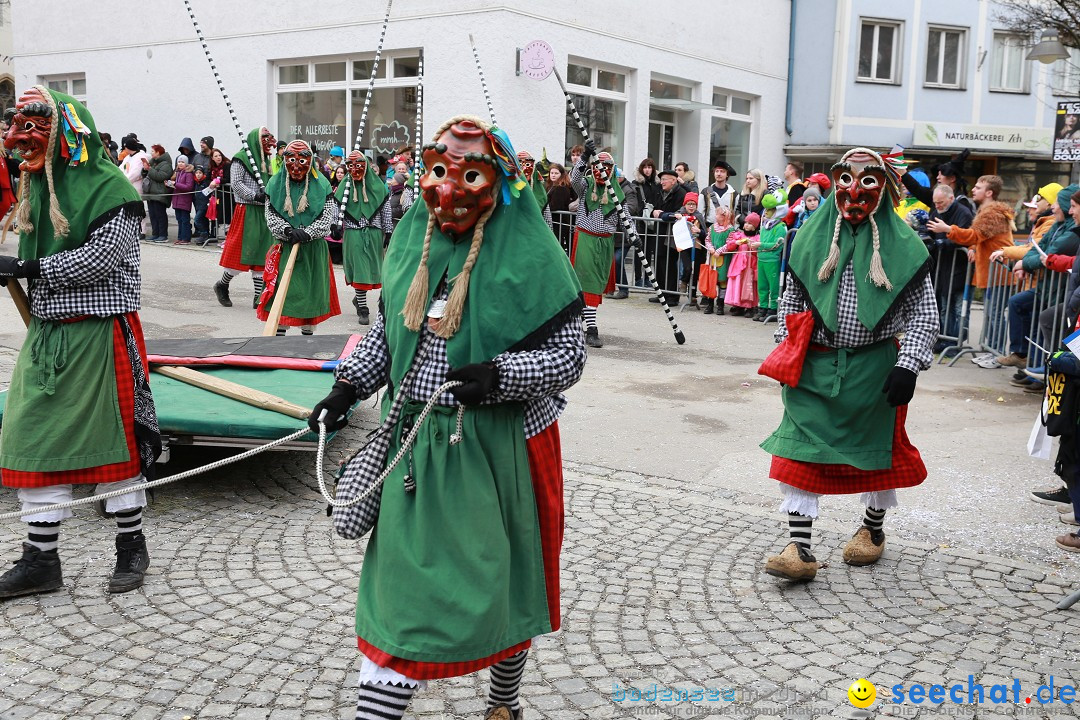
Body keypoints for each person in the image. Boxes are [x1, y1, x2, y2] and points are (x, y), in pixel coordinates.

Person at [316, 115, 585, 720]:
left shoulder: (531, 252)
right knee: (405, 601)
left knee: (507, 584)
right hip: (415, 446)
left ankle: (504, 704)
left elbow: (569, 357)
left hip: (502, 448)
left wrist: (500, 376)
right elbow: (388, 335)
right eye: (439, 171)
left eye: (470, 175)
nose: (449, 190)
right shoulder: (413, 239)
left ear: (500, 182)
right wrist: (348, 388)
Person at [0, 85, 160, 598]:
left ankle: (130, 546)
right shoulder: (39, 186)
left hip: (99, 330)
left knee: (112, 443)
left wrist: (28, 267)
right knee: (31, 436)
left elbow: (101, 260)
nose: (18, 140)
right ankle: (41, 560)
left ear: (68, 134)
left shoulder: (112, 188)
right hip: (49, 333)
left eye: (32, 129)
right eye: (16, 128)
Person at [761, 147, 938, 582]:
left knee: (879, 452)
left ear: (885, 189)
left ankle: (872, 532)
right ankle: (799, 548)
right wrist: (788, 345)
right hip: (815, 365)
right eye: (846, 180)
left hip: (876, 370)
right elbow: (791, 297)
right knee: (799, 450)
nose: (855, 192)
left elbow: (924, 313)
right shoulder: (808, 236)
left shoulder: (905, 245)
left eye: (868, 182)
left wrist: (909, 364)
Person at [256, 140, 340, 335]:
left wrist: (308, 232)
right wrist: (286, 230)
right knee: (283, 296)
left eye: (302, 161)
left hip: (312, 251)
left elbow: (327, 217)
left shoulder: (322, 184)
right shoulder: (275, 183)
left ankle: (306, 345)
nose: (296, 166)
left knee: (309, 297)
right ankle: (278, 342)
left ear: (310, 162)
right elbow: (270, 215)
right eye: (291, 160)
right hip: (285, 248)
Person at [926, 175, 1013, 353]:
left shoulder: (992, 213)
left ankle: (996, 352)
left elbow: (974, 235)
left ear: (989, 192)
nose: (973, 189)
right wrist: (973, 247)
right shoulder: (984, 211)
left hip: (999, 271)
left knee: (994, 315)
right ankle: (991, 351)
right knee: (990, 315)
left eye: (978, 187)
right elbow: (980, 238)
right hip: (991, 271)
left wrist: (948, 229)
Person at [997, 184, 1080, 369]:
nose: (1053, 207)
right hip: (1051, 287)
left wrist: (1028, 262)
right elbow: (1037, 249)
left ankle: (1051, 367)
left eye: (1058, 203)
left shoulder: (1071, 231)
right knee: (1025, 309)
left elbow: (1051, 253)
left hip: (1061, 290)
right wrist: (1028, 263)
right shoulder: (1058, 225)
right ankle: (1029, 360)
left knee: (1047, 322)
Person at [570, 140, 639, 347]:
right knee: (588, 284)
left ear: (612, 171)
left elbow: (626, 217)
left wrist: (635, 236)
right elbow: (574, 179)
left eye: (607, 167)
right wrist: (584, 157)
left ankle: (578, 322)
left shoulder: (617, 193)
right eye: (598, 167)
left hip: (606, 243)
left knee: (595, 286)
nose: (602, 171)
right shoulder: (586, 186)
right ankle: (591, 329)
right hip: (585, 240)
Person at [214, 127, 276, 309]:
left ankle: (258, 296)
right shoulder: (240, 159)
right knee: (239, 255)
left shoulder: (266, 160)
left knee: (262, 254)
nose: (269, 143)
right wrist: (254, 195)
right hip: (246, 210)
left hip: (263, 212)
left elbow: (271, 181)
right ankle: (223, 284)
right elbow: (236, 183)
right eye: (265, 138)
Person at [330, 151, 392, 325]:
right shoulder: (345, 185)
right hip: (353, 233)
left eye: (358, 165)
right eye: (350, 166)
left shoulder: (379, 186)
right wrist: (335, 226)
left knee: (374, 271)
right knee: (359, 270)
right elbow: (336, 206)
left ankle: (361, 300)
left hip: (374, 233)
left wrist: (388, 231)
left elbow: (385, 209)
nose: (354, 170)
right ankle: (363, 308)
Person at [923, 184, 974, 351]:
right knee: (944, 307)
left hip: (959, 267)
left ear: (951, 198)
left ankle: (955, 342)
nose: (937, 206)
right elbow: (930, 231)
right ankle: (943, 339)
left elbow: (966, 237)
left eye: (941, 203)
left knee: (958, 309)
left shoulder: (963, 213)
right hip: (942, 268)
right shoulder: (936, 211)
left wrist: (942, 242)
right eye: (935, 203)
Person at [649, 169, 687, 307]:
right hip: (659, 233)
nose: (662, 182)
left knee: (670, 265)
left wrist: (662, 214)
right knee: (659, 263)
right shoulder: (660, 192)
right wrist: (654, 211)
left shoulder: (680, 194)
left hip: (672, 235)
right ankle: (662, 294)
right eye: (661, 179)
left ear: (674, 180)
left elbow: (678, 213)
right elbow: (654, 208)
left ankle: (672, 296)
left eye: (665, 179)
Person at [722, 212, 760, 316]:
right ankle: (738, 305)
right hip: (738, 262)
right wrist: (736, 243)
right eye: (746, 222)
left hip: (750, 264)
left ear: (755, 226)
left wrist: (751, 245)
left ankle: (749, 306)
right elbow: (729, 246)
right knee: (738, 283)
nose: (746, 225)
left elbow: (758, 251)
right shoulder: (738, 235)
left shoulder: (757, 238)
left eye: (750, 223)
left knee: (749, 284)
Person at [142, 144, 173, 243]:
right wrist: (145, 169)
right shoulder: (153, 162)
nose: (151, 153)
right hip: (151, 192)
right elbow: (146, 174)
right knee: (152, 215)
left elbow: (160, 176)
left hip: (160, 193)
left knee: (160, 215)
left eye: (152, 151)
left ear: (158, 153)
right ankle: (155, 234)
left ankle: (163, 235)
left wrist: (149, 169)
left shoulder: (166, 164)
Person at [517, 149, 552, 230]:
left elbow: (548, 223)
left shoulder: (540, 193)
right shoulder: (506, 191)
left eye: (528, 164)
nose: (524, 169)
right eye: (520, 164)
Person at [191, 136, 214, 238]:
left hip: (211, 189)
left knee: (212, 212)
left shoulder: (214, 155)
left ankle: (213, 233)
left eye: (203, 143)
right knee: (199, 211)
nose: (201, 145)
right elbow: (193, 169)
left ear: (209, 144)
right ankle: (202, 232)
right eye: (200, 142)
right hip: (199, 188)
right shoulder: (197, 157)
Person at [170, 155, 195, 245]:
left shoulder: (188, 174)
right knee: (179, 220)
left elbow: (189, 187)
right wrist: (170, 185)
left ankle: (186, 238)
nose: (180, 163)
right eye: (179, 162)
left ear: (186, 163)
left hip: (184, 200)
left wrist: (176, 184)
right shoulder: (177, 173)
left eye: (182, 162)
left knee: (185, 220)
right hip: (177, 200)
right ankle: (180, 237)